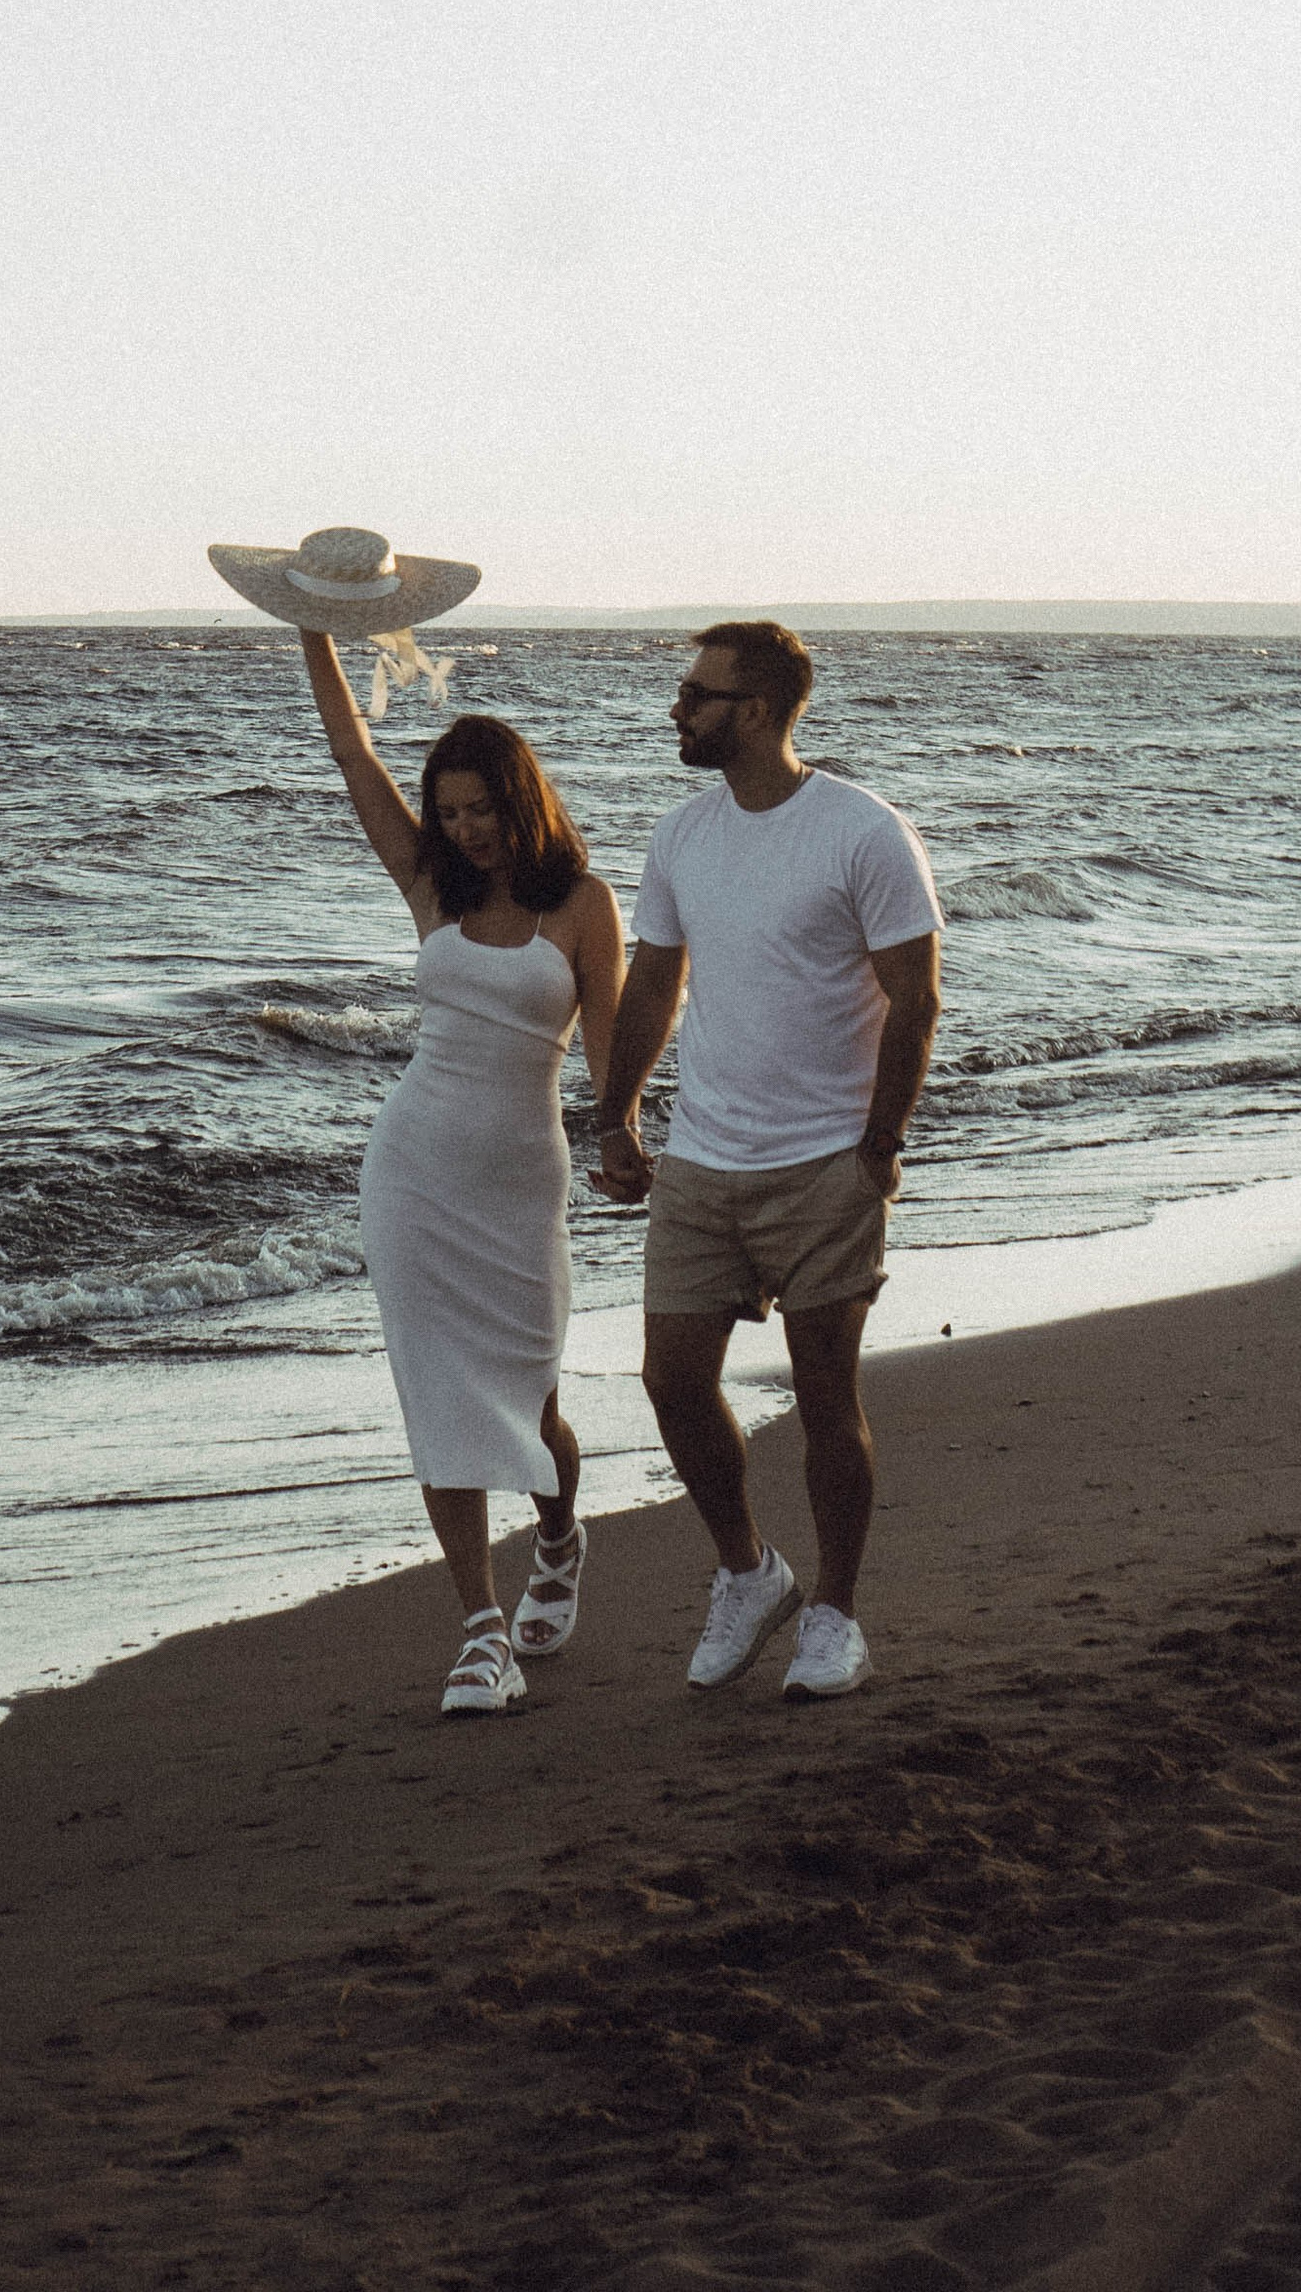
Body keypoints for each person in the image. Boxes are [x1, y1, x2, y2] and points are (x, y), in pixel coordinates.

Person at [591, 620, 942, 1700]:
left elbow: (915, 996)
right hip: (702, 1161)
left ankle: (835, 1614)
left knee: (825, 1396)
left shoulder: (861, 831)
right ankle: (748, 1573)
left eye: (696, 694)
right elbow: (655, 983)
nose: (676, 708)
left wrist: (878, 1148)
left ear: (753, 711)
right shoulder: (682, 835)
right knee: (672, 1381)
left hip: (825, 1163)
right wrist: (616, 1114)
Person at [299, 632, 624, 1716]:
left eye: (482, 808)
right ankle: (482, 1632)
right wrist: (311, 626)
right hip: (414, 1171)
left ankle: (559, 1535)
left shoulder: (583, 905)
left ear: (520, 800)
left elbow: (610, 1051)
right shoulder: (430, 885)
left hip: (522, 1181)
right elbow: (353, 755)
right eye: (449, 812)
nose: (466, 828)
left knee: (532, 1402)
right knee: (438, 1393)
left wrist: (625, 1134)